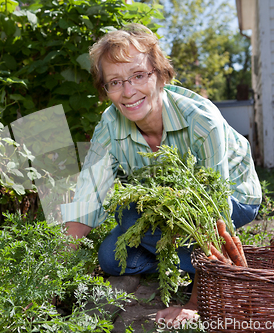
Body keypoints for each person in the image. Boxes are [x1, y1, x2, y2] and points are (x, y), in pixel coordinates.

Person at [61, 23, 262, 326]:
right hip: (165, 207)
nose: (128, 92)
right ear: (105, 89)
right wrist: (51, 270)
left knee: (134, 221)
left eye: (138, 76)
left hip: (232, 198)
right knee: (110, 257)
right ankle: (176, 259)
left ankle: (214, 268)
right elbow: (88, 199)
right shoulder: (110, 124)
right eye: (115, 82)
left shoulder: (201, 123)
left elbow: (214, 214)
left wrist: (196, 304)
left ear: (159, 73)